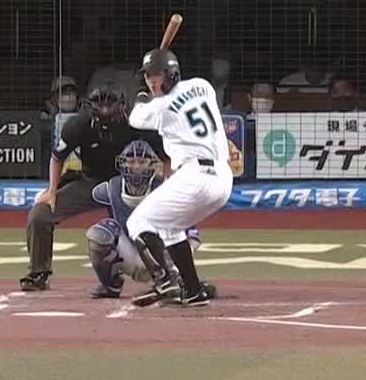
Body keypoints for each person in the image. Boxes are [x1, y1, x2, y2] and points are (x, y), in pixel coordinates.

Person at [21, 83, 165, 291]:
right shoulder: (78, 124)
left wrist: (167, 185)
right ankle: (39, 272)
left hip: (128, 186)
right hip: (89, 182)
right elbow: (57, 157)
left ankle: (165, 274)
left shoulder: (136, 123)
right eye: (100, 105)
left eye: (110, 104)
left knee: (144, 226)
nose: (105, 110)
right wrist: (51, 190)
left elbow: (166, 156)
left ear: (122, 106)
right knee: (40, 214)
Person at [125, 48, 234, 308]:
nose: (152, 82)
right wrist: (154, 89)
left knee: (137, 222)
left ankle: (166, 282)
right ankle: (193, 291)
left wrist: (141, 95)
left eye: (157, 76)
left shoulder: (160, 108)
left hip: (196, 176)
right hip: (222, 179)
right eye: (148, 77)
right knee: (170, 229)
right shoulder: (203, 86)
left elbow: (135, 118)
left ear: (172, 74)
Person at [86, 140, 212, 300]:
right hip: (131, 253)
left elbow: (193, 236)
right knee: (100, 233)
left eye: (142, 162)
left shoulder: (167, 188)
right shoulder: (112, 188)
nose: (136, 167)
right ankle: (110, 284)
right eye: (131, 161)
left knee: (164, 236)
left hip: (163, 259)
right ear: (123, 164)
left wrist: (176, 265)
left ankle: (182, 281)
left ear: (151, 165)